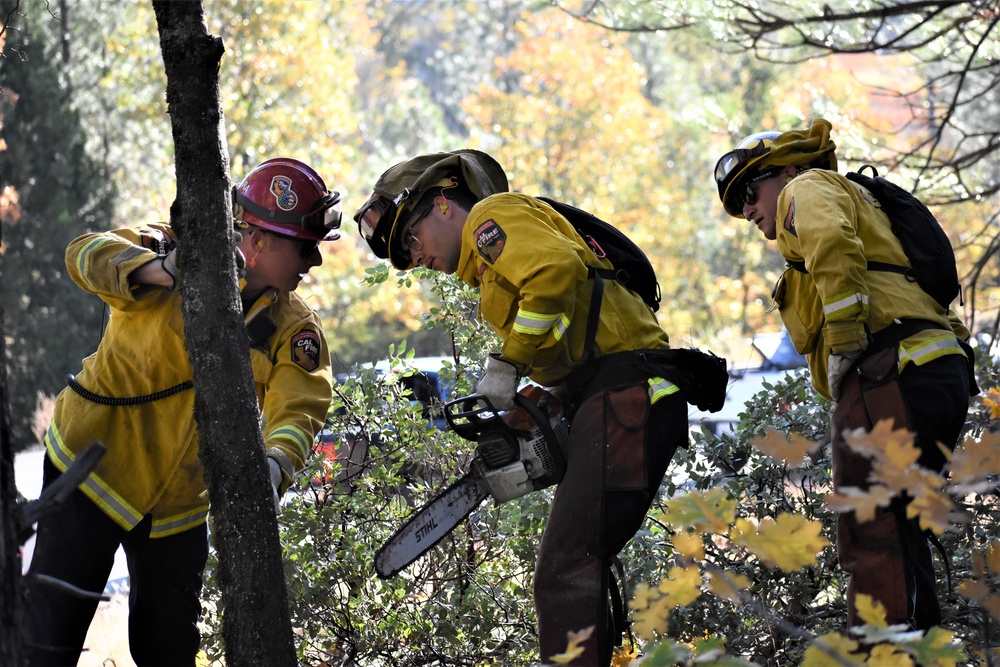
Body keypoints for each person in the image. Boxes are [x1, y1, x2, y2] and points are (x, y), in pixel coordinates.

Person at [354, 150, 724, 666]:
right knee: (577, 559)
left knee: (567, 563)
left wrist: (506, 365)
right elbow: (572, 340)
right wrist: (538, 410)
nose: (414, 258)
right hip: (611, 397)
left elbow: (556, 271)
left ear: (442, 203)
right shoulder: (491, 277)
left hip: (629, 394)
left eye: (410, 241)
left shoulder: (492, 217)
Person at [22, 158, 338, 665]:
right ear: (257, 241)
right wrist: (161, 271)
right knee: (47, 641)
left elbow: (300, 403)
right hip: (90, 475)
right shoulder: (169, 246)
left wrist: (276, 465)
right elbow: (83, 254)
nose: (315, 262)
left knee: (169, 652)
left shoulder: (292, 327)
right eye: (306, 247)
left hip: (177, 508)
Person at [714, 119, 977, 631]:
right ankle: (921, 649)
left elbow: (832, 243)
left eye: (749, 190)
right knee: (898, 528)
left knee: (873, 530)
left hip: (888, 373)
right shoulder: (853, 200)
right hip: (928, 369)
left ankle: (890, 657)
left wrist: (847, 338)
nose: (747, 209)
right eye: (739, 205)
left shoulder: (805, 188)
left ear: (787, 169)